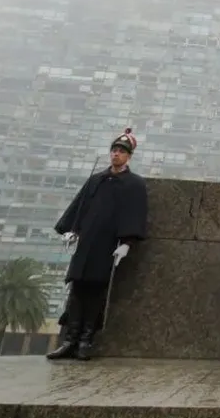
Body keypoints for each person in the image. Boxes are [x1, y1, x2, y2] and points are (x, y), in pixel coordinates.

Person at [46, 128, 148, 361]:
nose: (116, 154)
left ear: (129, 156)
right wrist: (72, 230)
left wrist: (127, 242)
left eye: (121, 151)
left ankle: (86, 341)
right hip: (86, 244)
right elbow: (80, 207)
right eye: (114, 150)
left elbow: (135, 214)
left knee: (95, 292)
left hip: (108, 246)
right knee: (76, 290)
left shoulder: (134, 184)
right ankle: (70, 340)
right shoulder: (96, 180)